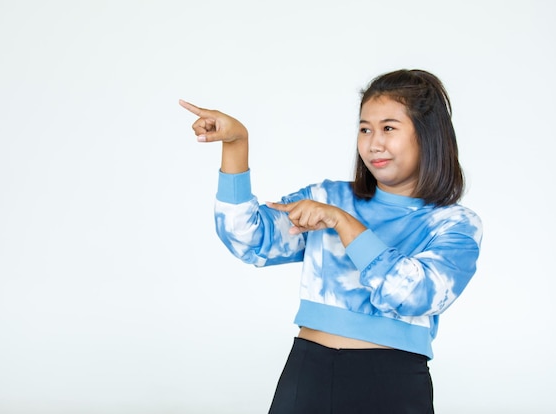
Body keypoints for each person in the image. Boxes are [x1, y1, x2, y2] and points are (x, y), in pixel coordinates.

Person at [179, 69, 482, 414]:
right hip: (308, 376)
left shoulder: (455, 225)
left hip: (393, 386)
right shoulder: (327, 197)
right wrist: (236, 144)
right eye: (365, 128)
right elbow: (247, 238)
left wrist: (344, 223)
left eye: (388, 128)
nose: (373, 142)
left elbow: (414, 295)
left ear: (426, 136)